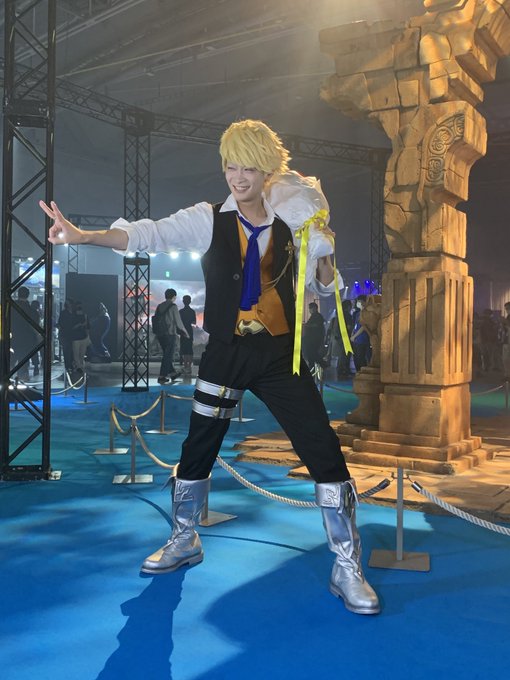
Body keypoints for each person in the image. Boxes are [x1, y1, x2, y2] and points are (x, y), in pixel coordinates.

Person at [39, 118, 380, 615]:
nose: (238, 178)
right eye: (230, 167)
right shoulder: (208, 219)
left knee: (322, 447)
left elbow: (323, 290)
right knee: (198, 445)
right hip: (225, 351)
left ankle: (347, 564)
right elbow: (148, 233)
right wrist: (81, 235)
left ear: (267, 171)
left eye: (248, 168)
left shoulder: (292, 223)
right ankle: (184, 537)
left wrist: (326, 254)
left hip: (279, 354)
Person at [154, 288, 189, 384]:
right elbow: (178, 322)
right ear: (174, 296)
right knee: (168, 355)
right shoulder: (173, 306)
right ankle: (162, 376)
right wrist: (185, 332)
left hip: (160, 334)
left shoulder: (159, 306)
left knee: (167, 354)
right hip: (170, 334)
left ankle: (173, 373)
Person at [11, 286, 38, 381]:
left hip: (12, 338)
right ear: (28, 295)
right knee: (23, 362)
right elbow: (35, 325)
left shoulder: (10, 308)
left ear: (18, 294)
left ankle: (6, 380)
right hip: (27, 340)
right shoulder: (32, 311)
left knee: (10, 360)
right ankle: (22, 380)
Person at [327, 299, 353, 379]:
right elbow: (349, 327)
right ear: (348, 306)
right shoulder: (347, 315)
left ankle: (341, 371)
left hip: (337, 338)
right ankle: (343, 371)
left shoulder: (338, 315)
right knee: (345, 356)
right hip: (345, 338)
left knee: (341, 356)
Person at [302, 301, 326, 371]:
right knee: (310, 353)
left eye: (311, 308)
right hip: (310, 339)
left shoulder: (318, 316)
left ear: (315, 308)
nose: (309, 310)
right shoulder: (313, 316)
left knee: (312, 353)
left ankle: (322, 363)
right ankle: (312, 367)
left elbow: (316, 325)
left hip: (315, 339)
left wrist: (307, 325)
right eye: (309, 308)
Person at [350, 294, 371, 371]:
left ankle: (363, 373)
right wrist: (352, 334)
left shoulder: (367, 313)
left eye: (360, 301)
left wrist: (354, 336)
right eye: (358, 301)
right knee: (356, 358)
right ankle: (358, 372)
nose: (359, 303)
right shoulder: (358, 314)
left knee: (361, 358)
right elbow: (355, 325)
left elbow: (363, 327)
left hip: (362, 339)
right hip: (355, 340)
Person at [179, 295, 197, 376]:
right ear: (190, 301)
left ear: (183, 301)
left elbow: (178, 322)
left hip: (183, 332)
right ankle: (189, 367)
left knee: (184, 349)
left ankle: (185, 366)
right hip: (189, 331)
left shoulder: (181, 311)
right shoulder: (192, 311)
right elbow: (194, 322)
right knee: (189, 349)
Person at [71, 301, 89, 374]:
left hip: (82, 337)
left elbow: (88, 327)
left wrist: (87, 336)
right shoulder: (73, 316)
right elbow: (71, 327)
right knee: (76, 354)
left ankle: (80, 366)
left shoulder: (85, 316)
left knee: (81, 354)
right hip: (76, 338)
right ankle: (78, 367)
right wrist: (80, 325)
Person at [57, 298, 75, 374]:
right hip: (65, 335)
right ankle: (68, 367)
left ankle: (71, 365)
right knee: (67, 351)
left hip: (72, 335)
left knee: (72, 351)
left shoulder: (74, 313)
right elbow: (60, 323)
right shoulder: (64, 313)